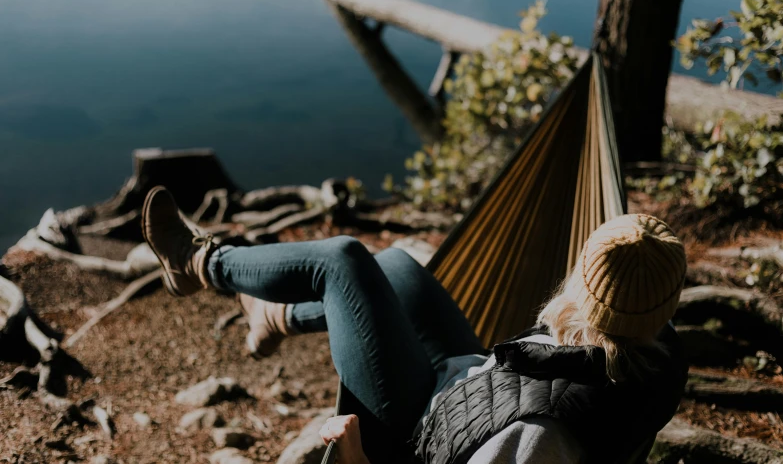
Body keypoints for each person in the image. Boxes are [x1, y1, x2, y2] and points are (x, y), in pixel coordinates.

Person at [142, 186, 689, 464]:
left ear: (580, 282)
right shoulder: (653, 349)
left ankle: (198, 263)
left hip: (416, 437)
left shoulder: (541, 441)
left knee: (342, 261)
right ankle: (276, 315)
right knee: (398, 266)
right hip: (470, 391)